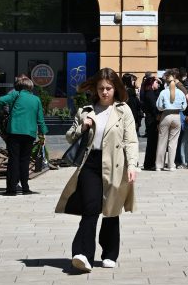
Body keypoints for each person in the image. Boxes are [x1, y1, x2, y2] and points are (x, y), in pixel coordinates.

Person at [55, 67, 138, 273]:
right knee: (90, 208)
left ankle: (109, 253)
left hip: (115, 163)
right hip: (90, 163)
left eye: (109, 88)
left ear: (115, 89)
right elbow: (69, 137)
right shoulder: (85, 110)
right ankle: (82, 254)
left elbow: (131, 140)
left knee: (111, 209)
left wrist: (132, 165)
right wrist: (83, 126)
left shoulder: (123, 110)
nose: (105, 92)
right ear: (95, 89)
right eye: (101, 88)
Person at [0, 74, 48, 195]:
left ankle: (11, 189)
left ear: (19, 86)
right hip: (30, 133)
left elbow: (0, 100)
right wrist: (42, 134)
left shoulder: (16, 94)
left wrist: (2, 110)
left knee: (14, 160)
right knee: (25, 160)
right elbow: (40, 119)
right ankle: (25, 188)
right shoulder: (36, 99)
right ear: (30, 87)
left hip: (14, 131)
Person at [155, 71, 186, 171]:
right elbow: (184, 107)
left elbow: (159, 106)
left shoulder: (163, 92)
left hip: (166, 115)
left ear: (166, 82)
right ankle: (171, 165)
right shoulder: (180, 92)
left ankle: (159, 165)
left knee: (162, 141)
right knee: (173, 142)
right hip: (176, 116)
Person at [140, 73, 160, 170]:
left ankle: (149, 163)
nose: (158, 84)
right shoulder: (150, 94)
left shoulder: (150, 92)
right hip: (152, 120)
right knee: (152, 143)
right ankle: (149, 164)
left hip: (150, 119)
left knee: (152, 142)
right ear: (152, 84)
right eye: (156, 82)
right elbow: (154, 107)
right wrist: (158, 117)